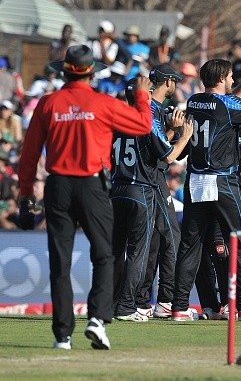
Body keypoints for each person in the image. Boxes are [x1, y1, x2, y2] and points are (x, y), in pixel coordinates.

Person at [17, 45, 153, 349]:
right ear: (91, 72)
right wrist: (143, 94)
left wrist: (26, 194)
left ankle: (62, 336)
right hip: (92, 186)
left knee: (60, 262)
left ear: (64, 71)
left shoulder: (48, 103)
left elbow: (28, 156)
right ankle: (97, 320)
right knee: (104, 255)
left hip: (58, 187)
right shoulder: (102, 103)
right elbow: (143, 125)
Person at [170, 59, 241, 321]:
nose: (231, 81)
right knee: (239, 242)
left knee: (190, 246)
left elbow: (224, 106)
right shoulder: (227, 105)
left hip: (194, 180)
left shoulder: (194, 101)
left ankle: (180, 308)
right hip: (222, 182)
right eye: (229, 77)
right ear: (221, 78)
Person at [111, 75, 193, 322]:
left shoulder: (115, 118)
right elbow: (168, 156)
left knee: (115, 251)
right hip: (141, 190)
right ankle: (127, 306)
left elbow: (149, 149)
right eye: (148, 90)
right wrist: (185, 135)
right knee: (138, 252)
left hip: (116, 189)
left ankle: (111, 302)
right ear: (142, 96)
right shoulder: (145, 118)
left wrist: (167, 130)